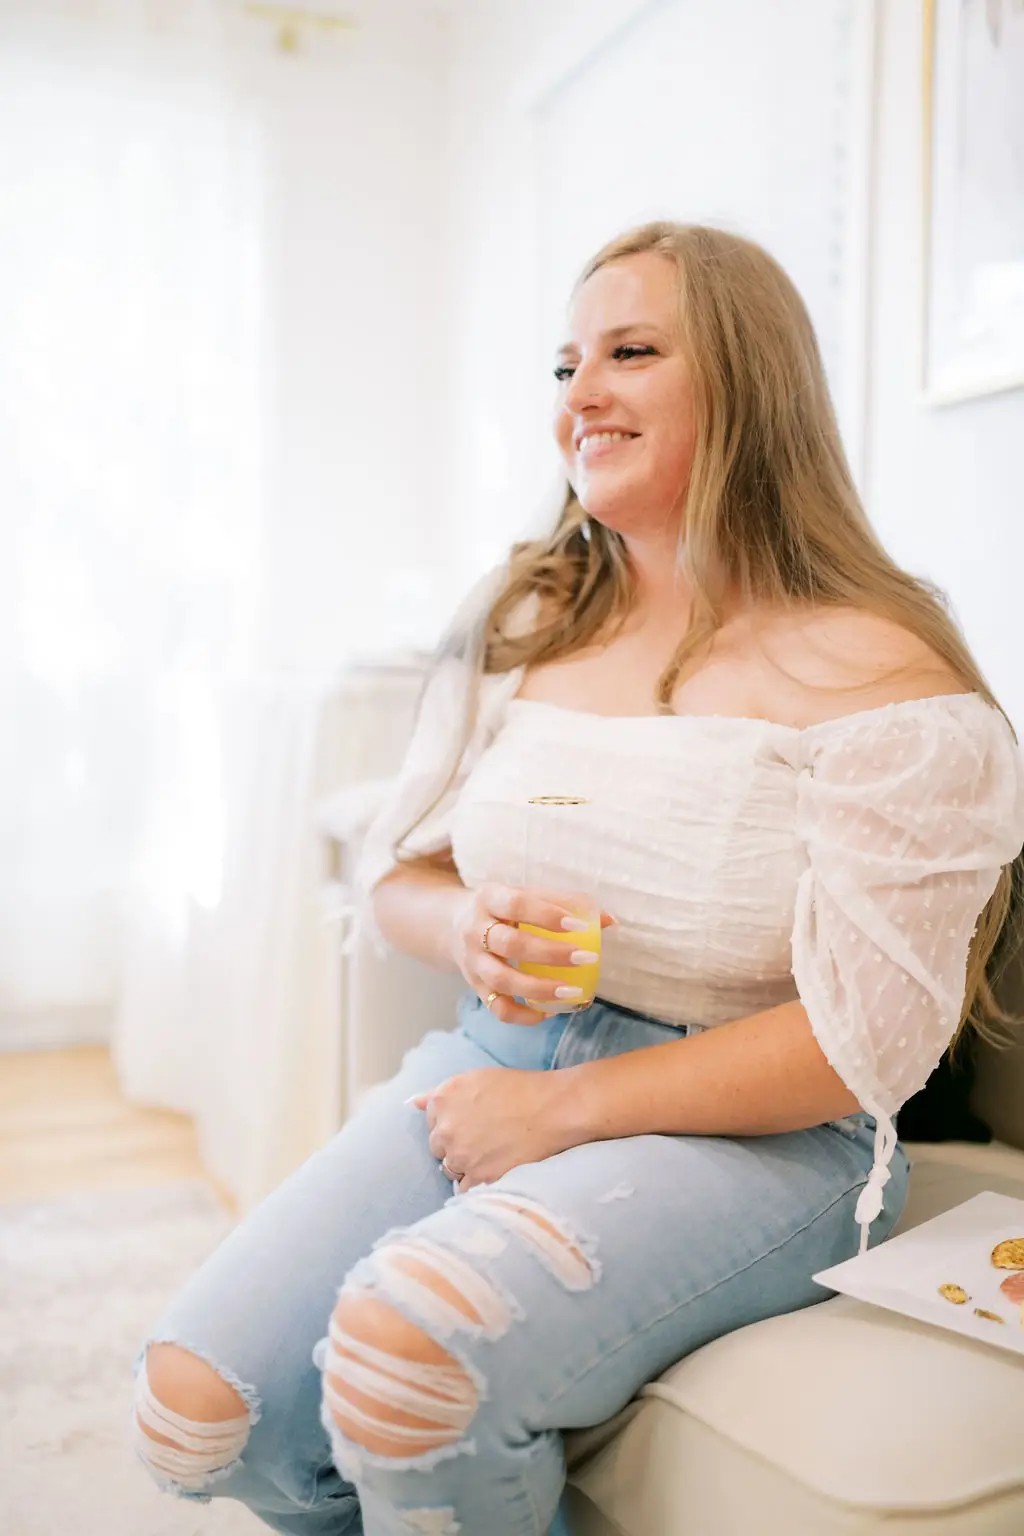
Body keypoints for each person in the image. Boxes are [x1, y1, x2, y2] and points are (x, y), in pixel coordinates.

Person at [131, 221, 1024, 1536]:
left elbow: (864, 1048)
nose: (579, 397)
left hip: (768, 1136)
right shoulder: (525, 615)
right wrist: (466, 924)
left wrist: (563, 1116)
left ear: (748, 382)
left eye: (631, 352)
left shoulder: (881, 673)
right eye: (566, 365)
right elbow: (396, 869)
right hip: (501, 1055)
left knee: (405, 1358)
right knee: (192, 1406)